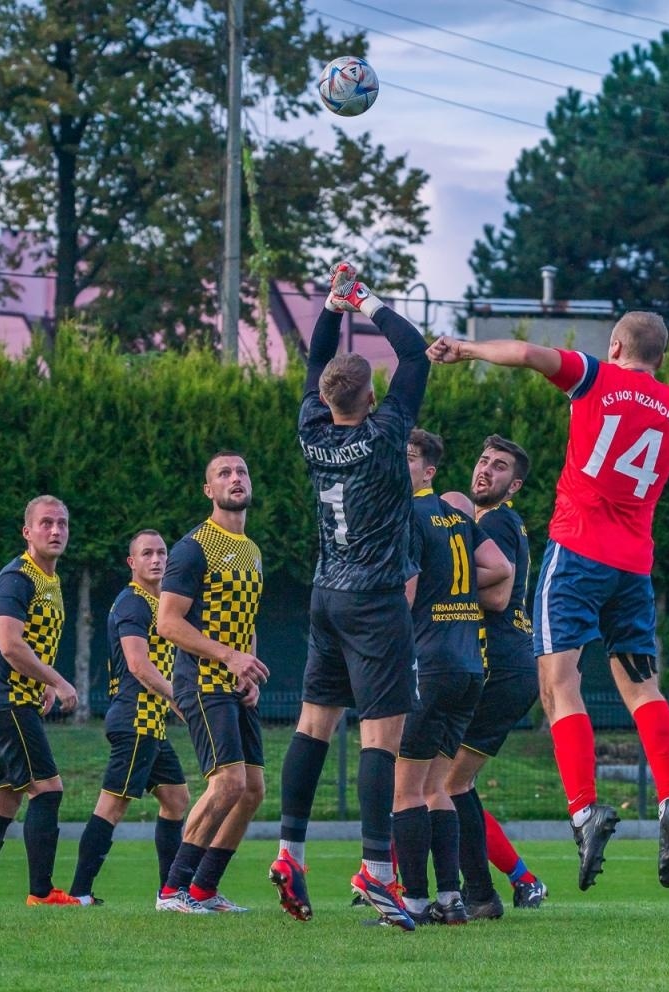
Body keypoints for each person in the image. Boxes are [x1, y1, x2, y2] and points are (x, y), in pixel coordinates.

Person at [427, 313, 669, 892]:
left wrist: (466, 349)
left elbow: (528, 353)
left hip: (578, 555)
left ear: (615, 346)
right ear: (660, 357)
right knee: (642, 688)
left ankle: (585, 809)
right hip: (633, 568)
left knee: (560, 684)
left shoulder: (594, 376)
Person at [271, 263, 430, 930]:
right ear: (369, 398)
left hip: (325, 592)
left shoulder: (312, 426)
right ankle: (377, 871)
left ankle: (289, 849)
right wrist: (364, 299)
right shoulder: (386, 432)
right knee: (380, 738)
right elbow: (415, 353)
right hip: (372, 597)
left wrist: (333, 308)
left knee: (313, 725)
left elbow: (313, 364)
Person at [395, 429, 512, 925]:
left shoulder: (408, 516)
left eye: (406, 458)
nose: (396, 466)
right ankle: (451, 897)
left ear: (428, 470)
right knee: (436, 787)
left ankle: (416, 901)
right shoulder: (459, 519)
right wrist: (454, 585)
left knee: (405, 789)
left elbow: (403, 597)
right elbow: (500, 567)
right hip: (469, 666)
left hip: (430, 663)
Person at [155, 452, 272, 914]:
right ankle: (172, 891)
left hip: (234, 683)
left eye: (242, 471)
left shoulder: (253, 549)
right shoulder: (193, 547)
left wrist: (252, 669)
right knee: (228, 782)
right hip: (202, 680)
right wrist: (228, 657)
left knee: (253, 790)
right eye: (223, 473)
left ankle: (204, 889)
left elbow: (247, 621)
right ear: (209, 491)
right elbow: (167, 622)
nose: (235, 478)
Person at [439, 435, 549, 918]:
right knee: (449, 783)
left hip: (501, 667)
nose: (486, 470)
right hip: (510, 667)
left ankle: (477, 893)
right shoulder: (496, 522)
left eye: (500, 467)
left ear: (514, 485)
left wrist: (437, 589)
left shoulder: (496, 523)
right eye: (483, 461)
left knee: (440, 783)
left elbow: (499, 597)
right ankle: (497, 887)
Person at [0, 495, 81, 907]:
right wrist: (59, 681)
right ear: (27, 532)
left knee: (4, 798)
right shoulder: (17, 578)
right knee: (48, 789)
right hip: (2, 700)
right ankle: (41, 893)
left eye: (61, 523)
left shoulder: (49, 580)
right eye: (46, 523)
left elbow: (28, 646)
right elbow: (10, 645)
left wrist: (40, 682)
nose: (56, 530)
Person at [66, 530, 192, 906]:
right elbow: (139, 665)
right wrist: (177, 696)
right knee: (113, 804)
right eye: (147, 554)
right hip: (135, 721)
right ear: (132, 563)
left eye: (162, 553)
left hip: (150, 723)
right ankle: (80, 893)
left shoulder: (160, 605)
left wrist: (172, 705)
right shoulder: (133, 602)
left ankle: (170, 892)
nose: (156, 560)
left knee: (176, 799)